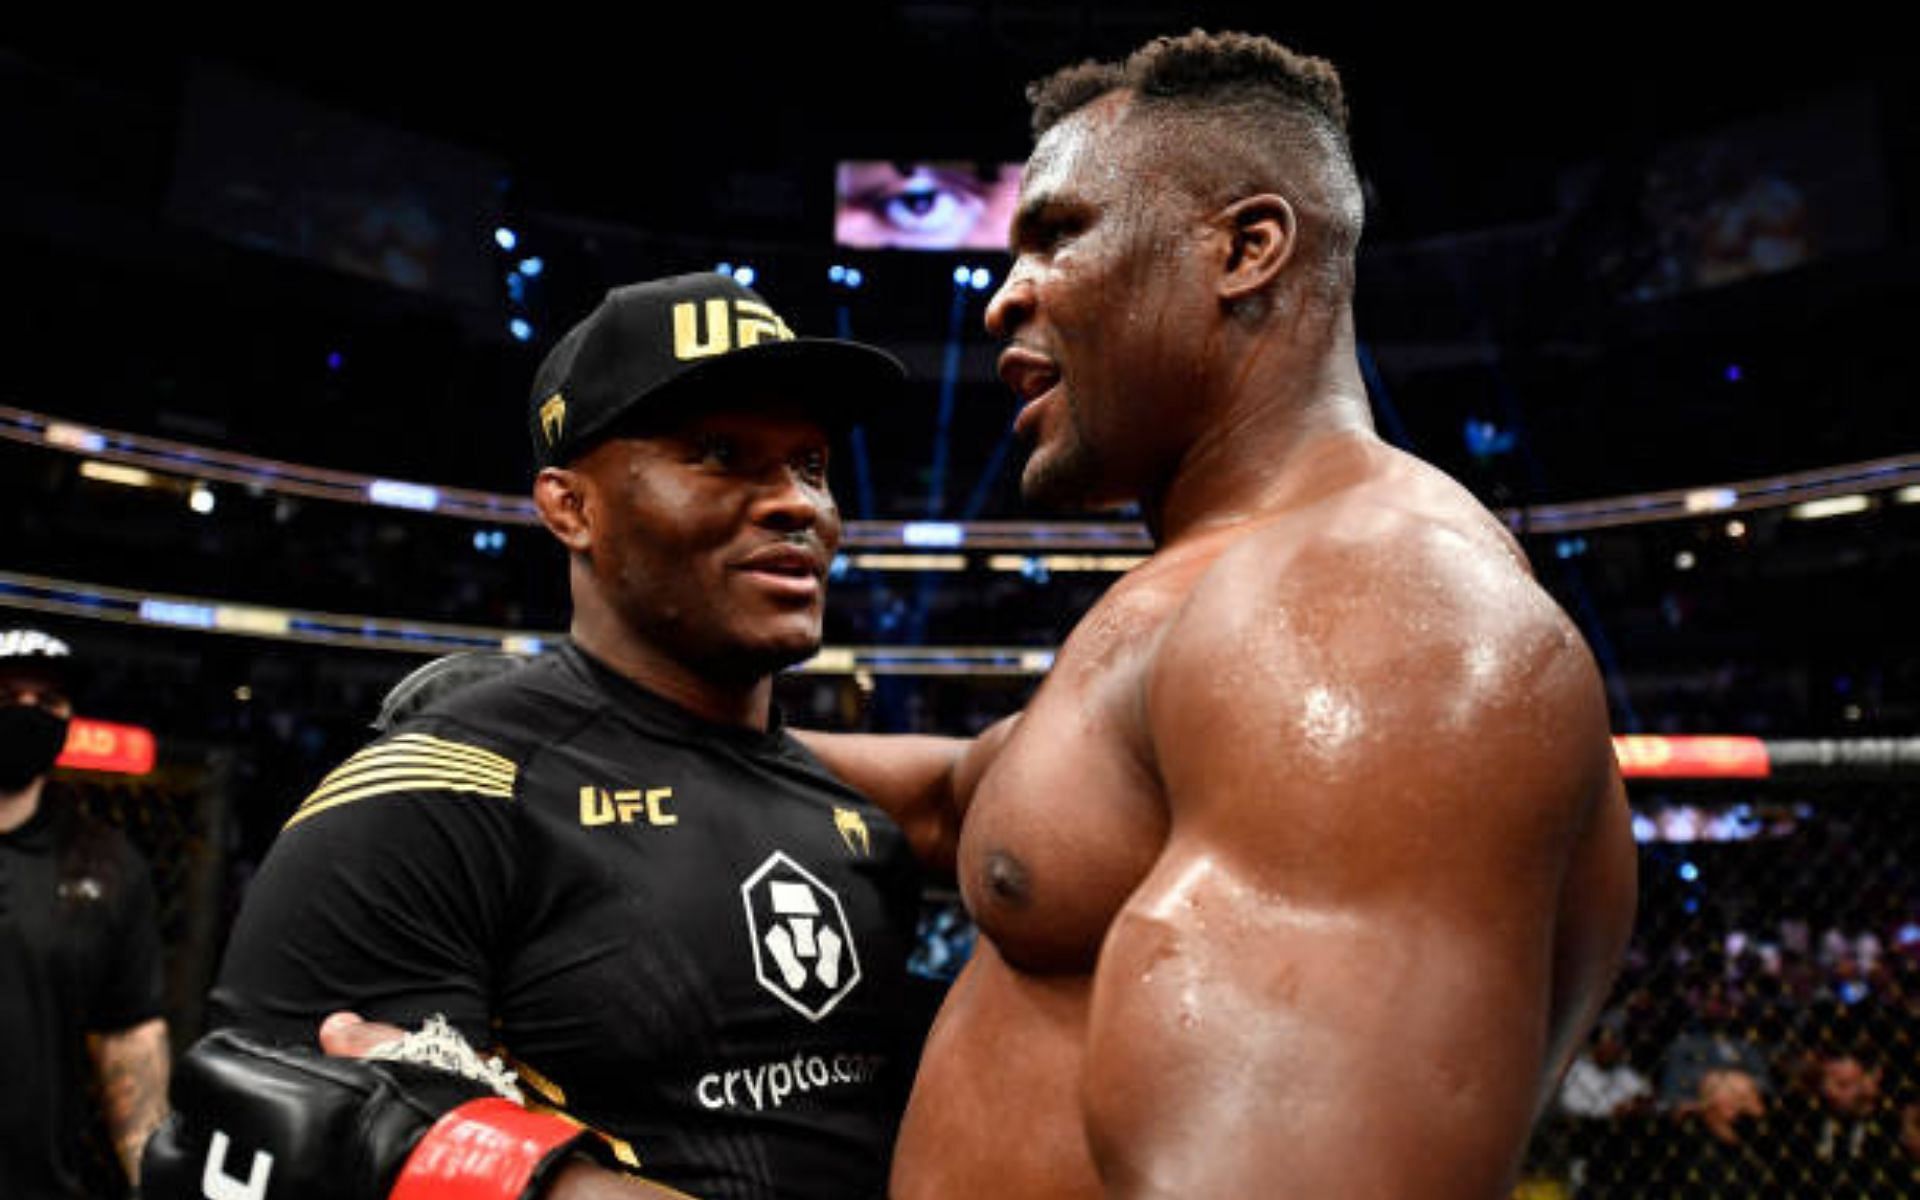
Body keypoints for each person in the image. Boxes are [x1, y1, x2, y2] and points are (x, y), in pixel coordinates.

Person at [799, 28, 1639, 1198]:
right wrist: (571, 727)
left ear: (1247, 250)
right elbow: (960, 804)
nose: (1001, 301)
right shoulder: (1236, 586)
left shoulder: (1364, 617)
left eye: (1060, 234)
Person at [144, 274, 929, 1200]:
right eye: (720, 453)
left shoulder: (854, 821)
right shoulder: (424, 804)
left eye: (811, 464)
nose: (798, 503)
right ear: (570, 508)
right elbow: (253, 1166)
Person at [1, 626, 171, 1199]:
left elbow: (131, 1038)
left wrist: (150, 1180)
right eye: (7, 697)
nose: (28, 712)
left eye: (48, 701)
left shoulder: (106, 866)